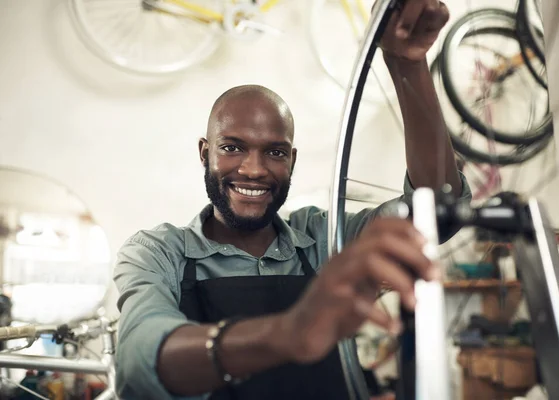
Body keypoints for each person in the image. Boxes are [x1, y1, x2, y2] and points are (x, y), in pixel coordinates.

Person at [113, 1, 472, 399]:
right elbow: (137, 363)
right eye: (232, 147)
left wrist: (407, 65)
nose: (253, 169)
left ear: (292, 160)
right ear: (205, 153)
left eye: (275, 152)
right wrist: (288, 332)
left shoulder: (325, 237)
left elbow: (438, 210)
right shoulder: (157, 252)